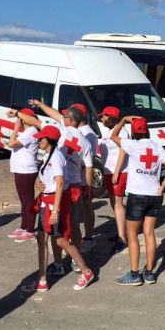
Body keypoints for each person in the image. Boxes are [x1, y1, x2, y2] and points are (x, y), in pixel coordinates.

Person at [17, 101, 93, 274]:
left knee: (55, 230)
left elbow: (47, 116)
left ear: (71, 120)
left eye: (65, 116)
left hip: (60, 187)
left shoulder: (63, 131)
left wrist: (37, 105)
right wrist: (86, 188)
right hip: (75, 187)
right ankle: (75, 260)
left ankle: (58, 263)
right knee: (73, 226)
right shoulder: (86, 143)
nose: (62, 117)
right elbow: (88, 167)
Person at [110, 116, 165, 285]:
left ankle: (134, 274)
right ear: (147, 130)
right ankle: (149, 273)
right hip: (155, 195)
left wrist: (123, 121)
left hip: (137, 196)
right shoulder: (157, 146)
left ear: (133, 132)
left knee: (132, 235)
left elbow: (113, 136)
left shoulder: (132, 145)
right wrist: (162, 187)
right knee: (149, 233)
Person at [98, 106, 129, 252]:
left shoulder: (121, 130)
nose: (101, 119)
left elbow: (124, 151)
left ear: (110, 117)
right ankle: (120, 230)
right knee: (114, 202)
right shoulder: (110, 130)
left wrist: (116, 172)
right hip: (110, 172)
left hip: (119, 172)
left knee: (118, 203)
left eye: (103, 116)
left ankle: (122, 238)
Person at [6, 108, 39, 243]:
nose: (17, 120)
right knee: (23, 201)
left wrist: (15, 128)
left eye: (19, 118)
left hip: (26, 170)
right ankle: (24, 226)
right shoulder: (27, 131)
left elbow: (11, 143)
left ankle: (30, 229)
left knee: (28, 200)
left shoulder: (31, 131)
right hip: (20, 169)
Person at [72, 103, 98, 254]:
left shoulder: (89, 135)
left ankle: (88, 237)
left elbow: (89, 161)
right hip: (75, 178)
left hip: (82, 179)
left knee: (87, 207)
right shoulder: (74, 131)